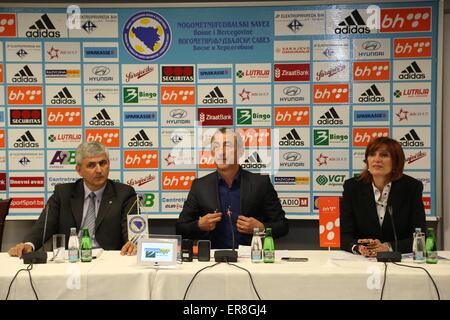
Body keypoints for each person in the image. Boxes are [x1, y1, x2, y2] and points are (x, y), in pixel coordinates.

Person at [8, 141, 139, 257]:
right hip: (70, 260)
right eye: (91, 165)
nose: (99, 170)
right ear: (79, 170)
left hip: (107, 261)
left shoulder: (124, 194)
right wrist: (28, 244)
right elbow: (44, 226)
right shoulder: (63, 193)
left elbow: (132, 232)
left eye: (103, 163)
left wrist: (133, 243)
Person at [176, 128, 289, 248]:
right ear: (213, 153)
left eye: (227, 145)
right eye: (216, 146)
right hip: (212, 261)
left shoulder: (260, 184)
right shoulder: (200, 186)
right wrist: (199, 225)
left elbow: (283, 226)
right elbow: (180, 228)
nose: (221, 152)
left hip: (251, 260)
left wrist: (261, 229)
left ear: (240, 152)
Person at [340, 137, 426, 256]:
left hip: (399, 260)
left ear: (396, 161)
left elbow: (420, 236)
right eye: (372, 154)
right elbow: (344, 235)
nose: (376, 159)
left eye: (384, 155)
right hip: (362, 261)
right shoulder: (352, 187)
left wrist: (388, 247)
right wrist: (358, 247)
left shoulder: (411, 187)